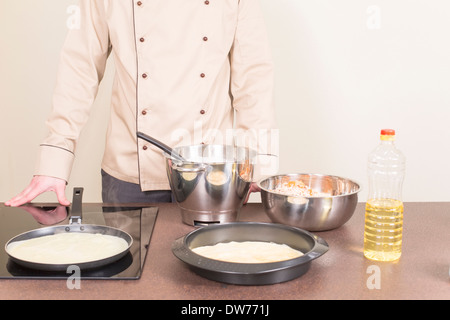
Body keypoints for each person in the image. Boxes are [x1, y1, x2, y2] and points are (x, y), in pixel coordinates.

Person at [6, 0, 278, 207]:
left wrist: (259, 162)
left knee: (208, 275)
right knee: (128, 276)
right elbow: (79, 68)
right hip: (130, 174)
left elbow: (253, 77)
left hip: (211, 172)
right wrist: (54, 162)